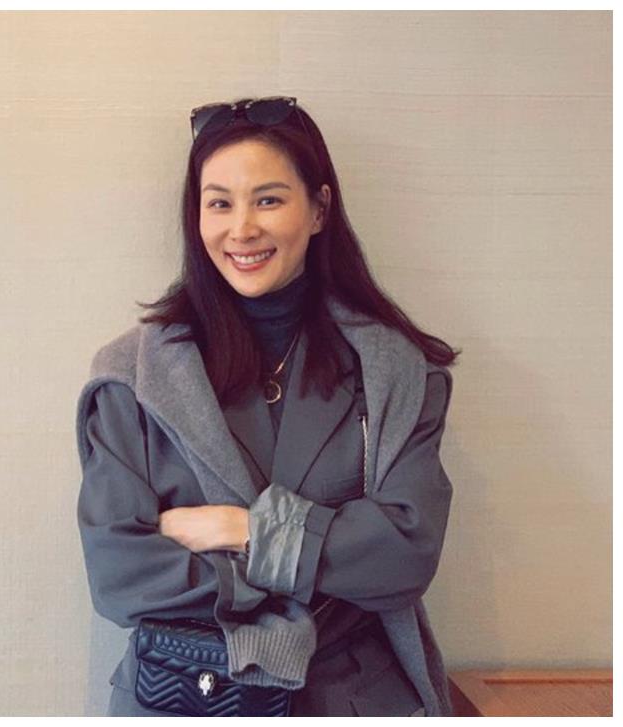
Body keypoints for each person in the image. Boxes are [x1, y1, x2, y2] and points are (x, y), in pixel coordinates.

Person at [75, 96, 460, 717]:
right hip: (182, 695)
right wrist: (323, 565)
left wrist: (244, 530)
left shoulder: (394, 370)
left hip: (350, 698)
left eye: (269, 200)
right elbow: (120, 576)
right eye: (219, 203)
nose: (242, 228)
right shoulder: (132, 376)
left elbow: (405, 556)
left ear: (319, 209)